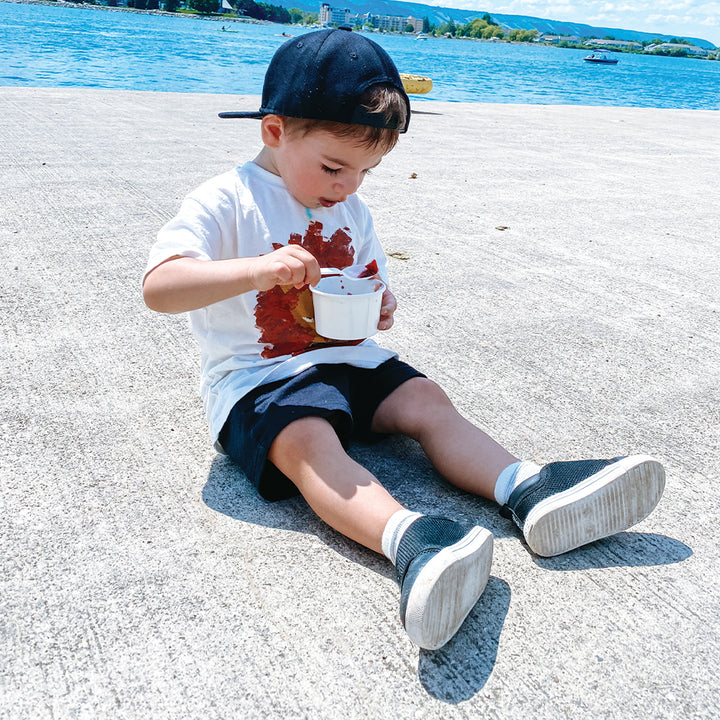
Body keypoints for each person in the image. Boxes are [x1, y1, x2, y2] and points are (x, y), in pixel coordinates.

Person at [142, 27, 665, 651]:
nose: (348, 186)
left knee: (425, 399)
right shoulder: (225, 199)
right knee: (307, 441)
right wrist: (255, 270)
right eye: (334, 167)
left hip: (349, 357)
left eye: (367, 171)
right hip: (260, 379)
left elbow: (368, 278)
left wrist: (380, 303)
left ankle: (527, 489)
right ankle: (416, 542)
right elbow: (160, 287)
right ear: (275, 131)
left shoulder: (350, 209)